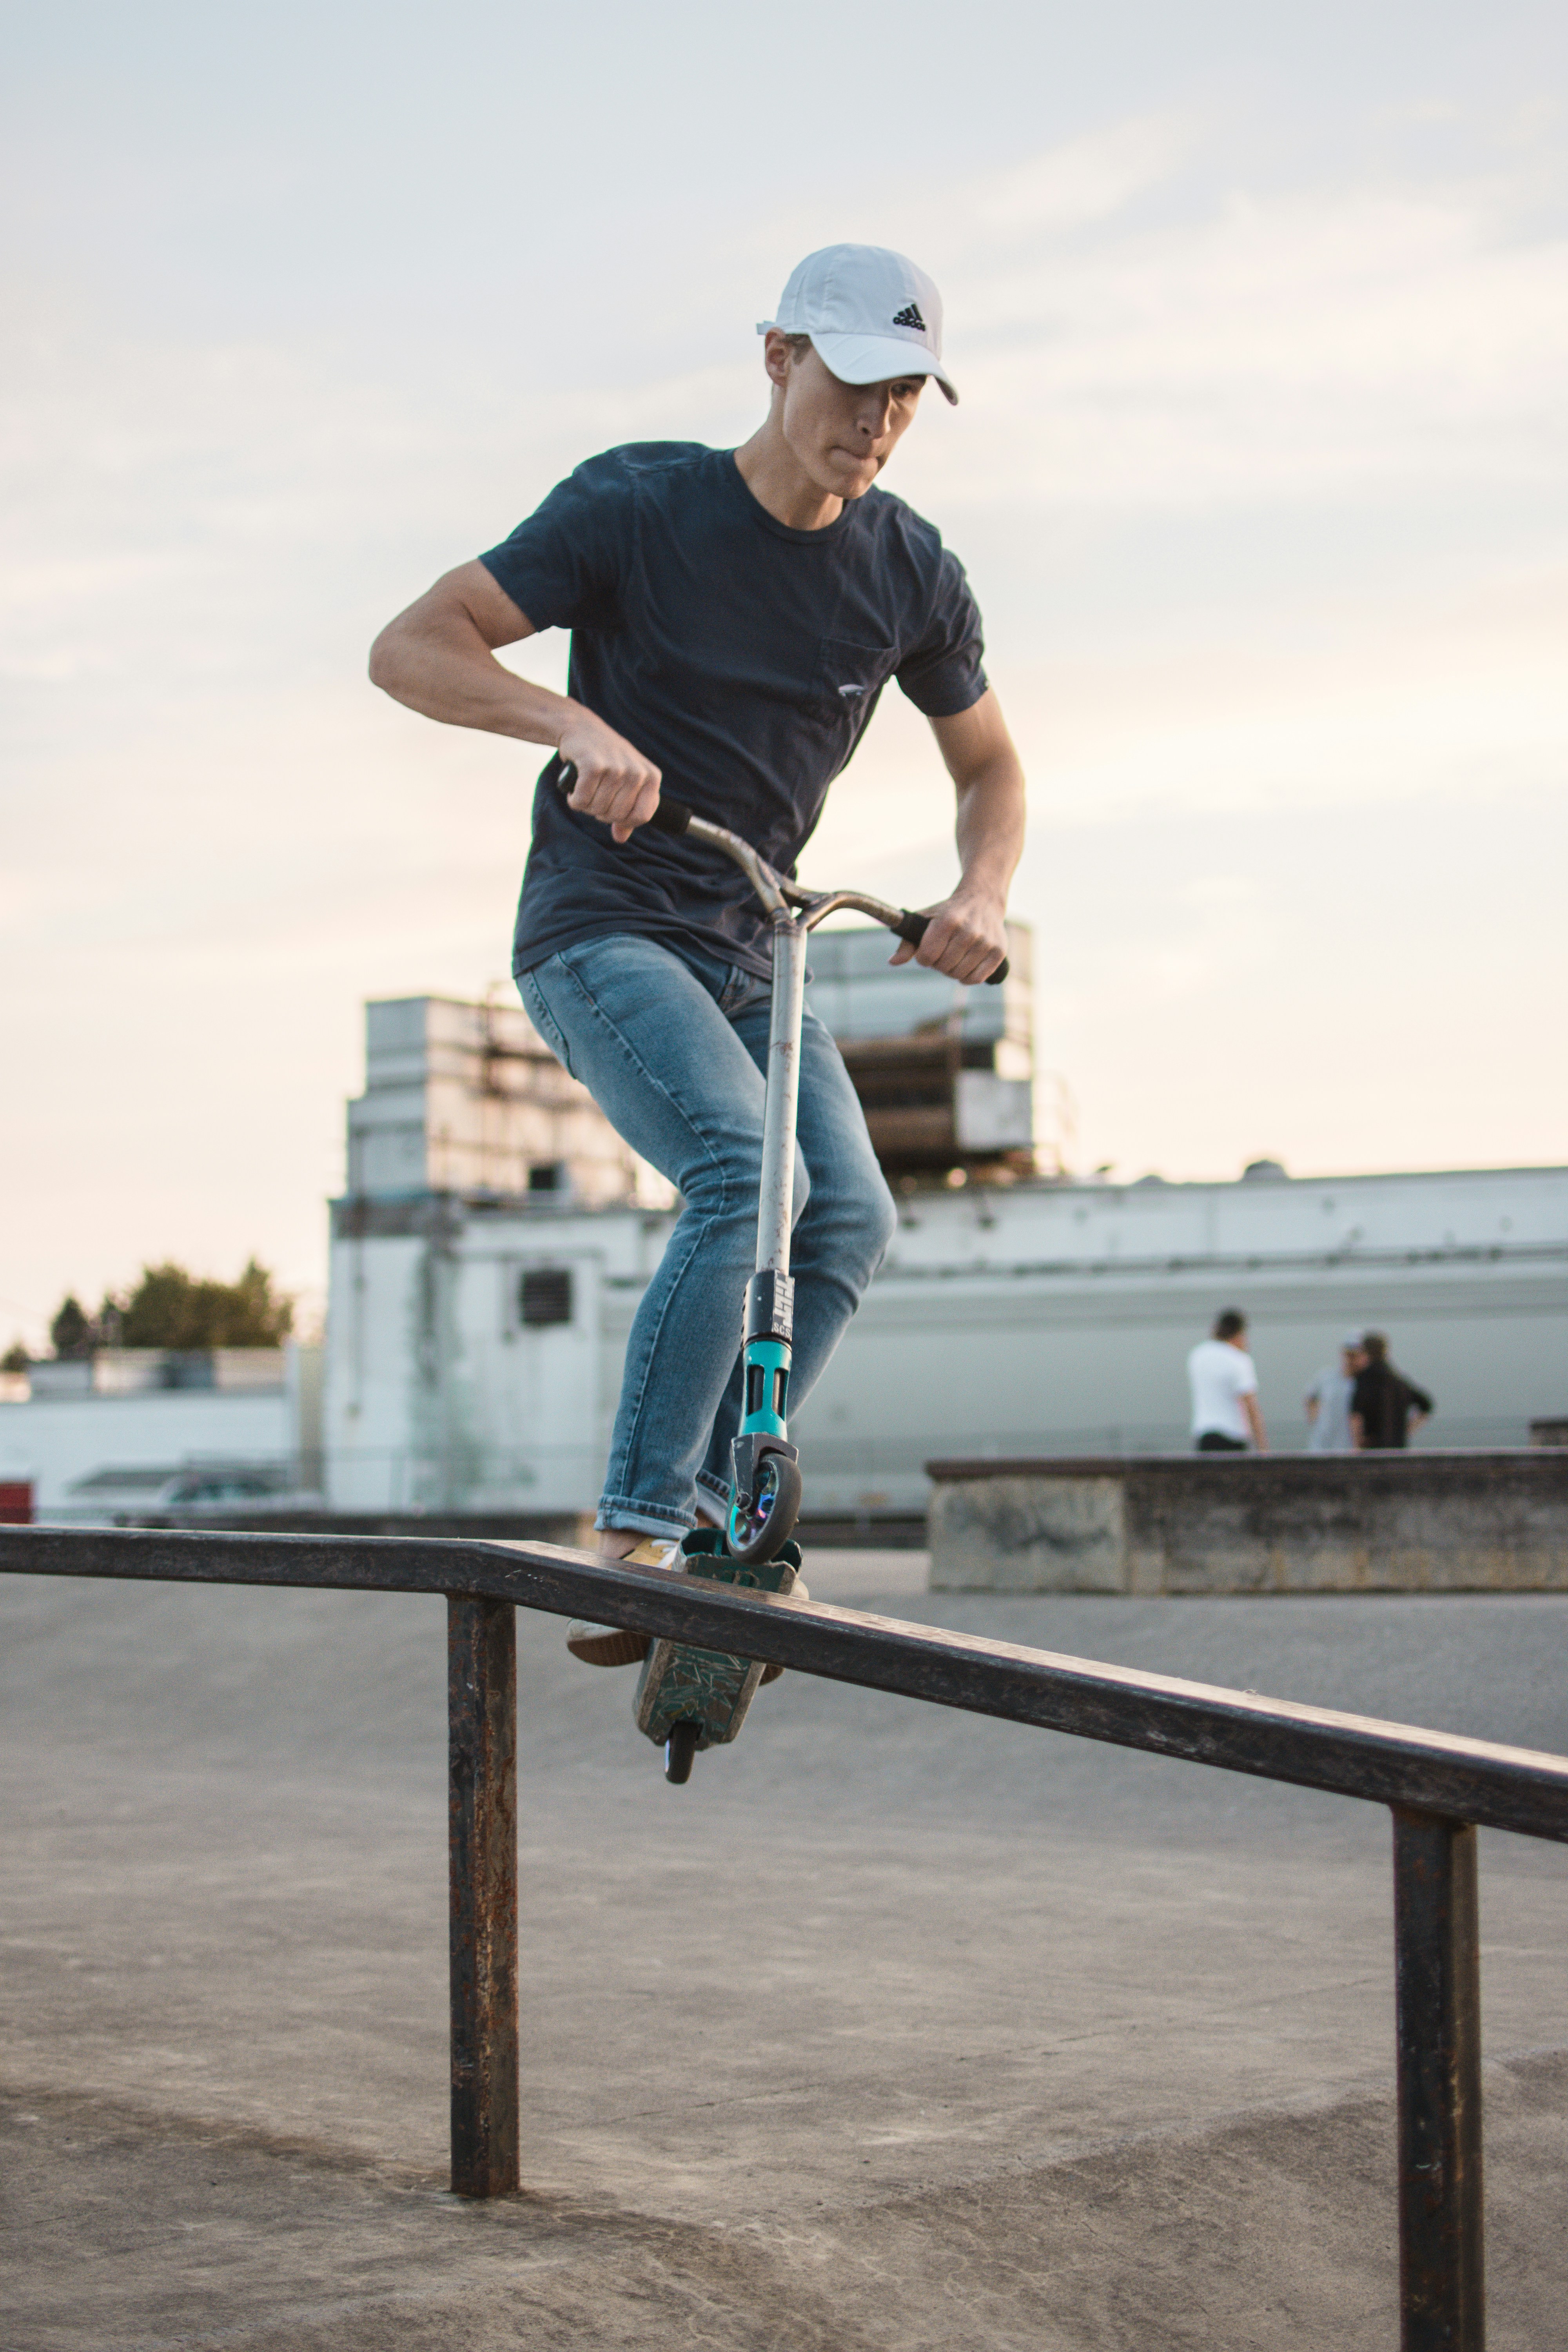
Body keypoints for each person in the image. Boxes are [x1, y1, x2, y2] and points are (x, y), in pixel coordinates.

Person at [368, 244, 1025, 1664]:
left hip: (751, 947)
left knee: (848, 1216)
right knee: (750, 1170)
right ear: (778, 357)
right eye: (851, 383)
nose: (872, 421)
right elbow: (411, 646)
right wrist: (568, 724)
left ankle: (721, 1534)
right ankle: (630, 1527)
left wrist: (976, 887)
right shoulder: (638, 506)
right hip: (603, 930)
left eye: (904, 396)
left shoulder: (908, 568)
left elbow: (989, 768)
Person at [1187, 1310, 1268, 1453]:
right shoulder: (1239, 1360)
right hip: (1233, 1437)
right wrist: (1263, 1448)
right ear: (1238, 1334)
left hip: (1204, 1435)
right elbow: (1251, 1407)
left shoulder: (1198, 1355)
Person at [1350, 1334, 1434, 1450]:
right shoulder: (1398, 1381)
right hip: (1398, 1449)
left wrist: (1358, 1444)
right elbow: (1427, 1406)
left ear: (1365, 1353)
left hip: (1372, 1450)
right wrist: (1406, 1431)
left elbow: (1356, 1416)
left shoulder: (1365, 1379)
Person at [1305, 1334, 1367, 1454]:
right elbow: (1311, 1397)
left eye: (1355, 1355)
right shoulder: (1327, 1377)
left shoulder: (1365, 1384)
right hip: (1322, 1447)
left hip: (1349, 1449)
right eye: (1348, 1355)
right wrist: (1314, 1419)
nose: (1351, 1359)